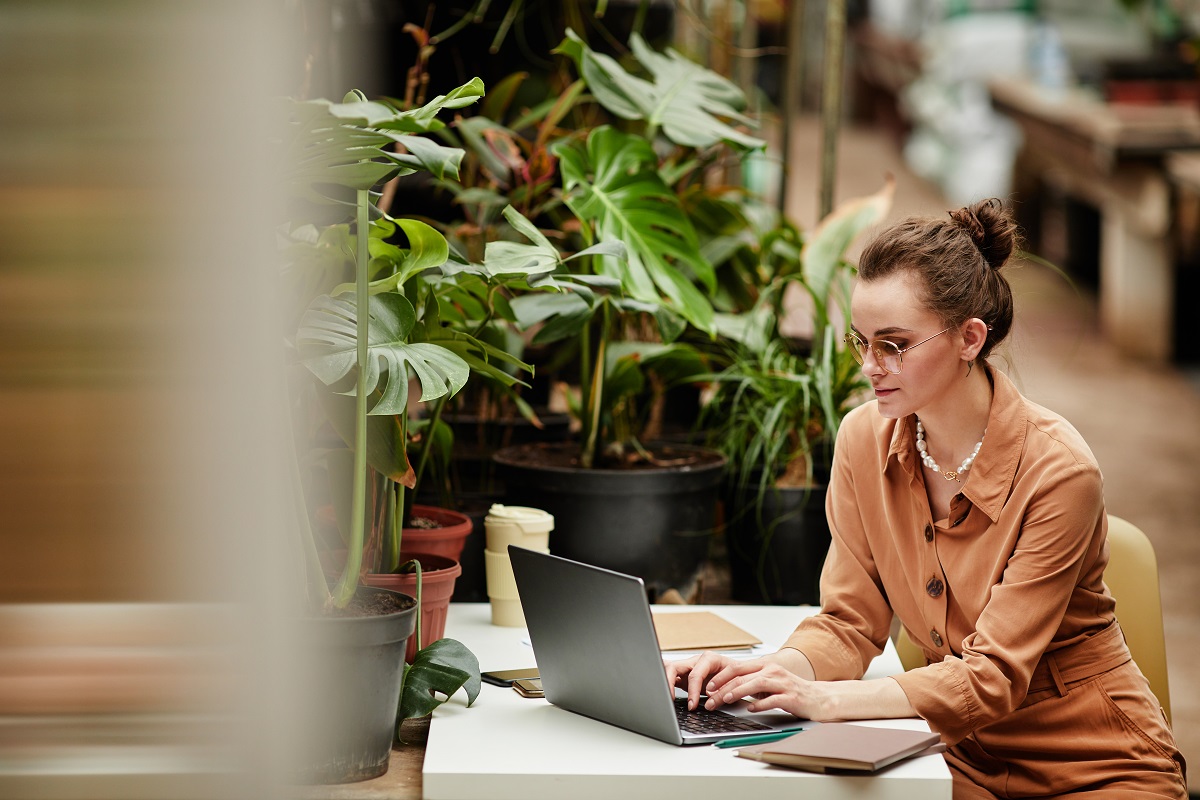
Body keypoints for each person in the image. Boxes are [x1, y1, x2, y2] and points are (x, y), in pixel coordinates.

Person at [667, 199, 1187, 798]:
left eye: (894, 344)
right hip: (951, 758)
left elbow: (991, 680)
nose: (870, 366)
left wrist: (827, 702)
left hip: (1095, 768)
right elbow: (849, 624)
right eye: (860, 342)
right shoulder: (863, 440)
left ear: (970, 338)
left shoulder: (1060, 473)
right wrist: (761, 674)